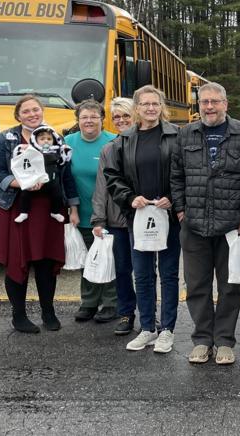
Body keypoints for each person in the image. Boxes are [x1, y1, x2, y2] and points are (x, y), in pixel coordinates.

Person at [0, 95, 80, 333]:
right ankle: (18, 315)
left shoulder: (55, 137)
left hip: (48, 209)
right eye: (26, 111)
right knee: (17, 260)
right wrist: (19, 183)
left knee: (46, 260)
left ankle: (48, 312)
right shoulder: (5, 139)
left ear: (42, 111)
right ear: (18, 116)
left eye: (35, 110)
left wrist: (73, 206)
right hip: (17, 207)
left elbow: (66, 175)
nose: (32, 114)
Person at [171, 82, 240, 365]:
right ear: (198, 105)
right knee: (197, 285)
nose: (209, 107)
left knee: (230, 286)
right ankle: (202, 340)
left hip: (231, 224)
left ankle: (224, 341)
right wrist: (181, 210)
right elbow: (176, 176)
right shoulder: (185, 134)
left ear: (225, 104)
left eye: (215, 101)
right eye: (204, 102)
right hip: (194, 224)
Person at [104, 85, 181, 354]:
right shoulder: (124, 140)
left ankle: (167, 330)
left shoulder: (176, 136)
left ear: (162, 107)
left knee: (169, 275)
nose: (150, 108)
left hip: (168, 216)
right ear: (137, 108)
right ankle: (147, 327)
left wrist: (173, 198)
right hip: (138, 216)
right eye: (145, 104)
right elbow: (113, 176)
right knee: (143, 274)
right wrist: (129, 197)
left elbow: (185, 172)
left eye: (155, 103)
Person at [64, 100, 120, 324]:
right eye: (84, 117)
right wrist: (71, 208)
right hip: (80, 212)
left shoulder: (113, 141)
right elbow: (63, 178)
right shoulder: (68, 142)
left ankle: (111, 302)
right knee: (87, 259)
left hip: (108, 213)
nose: (89, 121)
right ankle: (88, 302)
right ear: (78, 120)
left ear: (102, 119)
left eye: (94, 117)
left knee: (108, 258)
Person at [89, 98, 138, 335]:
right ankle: (126, 313)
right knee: (122, 270)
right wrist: (98, 220)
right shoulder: (108, 149)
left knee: (146, 272)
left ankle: (150, 315)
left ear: (136, 115)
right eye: (116, 117)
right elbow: (101, 188)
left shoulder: (147, 144)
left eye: (125, 115)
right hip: (117, 221)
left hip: (143, 219)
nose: (120, 120)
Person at [15, 125, 72, 223]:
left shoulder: (57, 151)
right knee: (25, 193)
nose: (46, 141)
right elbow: (21, 160)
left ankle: (55, 212)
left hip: (52, 180)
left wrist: (65, 153)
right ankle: (23, 212)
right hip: (35, 180)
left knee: (58, 195)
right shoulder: (31, 151)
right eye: (42, 139)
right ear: (35, 140)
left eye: (49, 139)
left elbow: (62, 163)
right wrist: (22, 150)